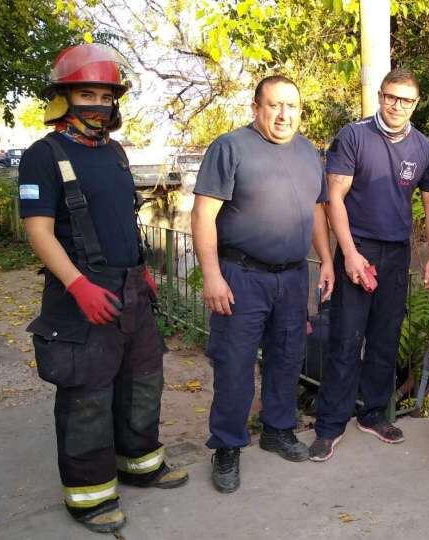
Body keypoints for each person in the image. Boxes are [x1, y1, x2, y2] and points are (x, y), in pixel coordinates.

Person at [19, 44, 188, 534]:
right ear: (63, 98)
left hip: (131, 288)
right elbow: (39, 231)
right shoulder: (42, 156)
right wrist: (77, 286)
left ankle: (140, 462)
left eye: (106, 96)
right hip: (81, 294)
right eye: (86, 94)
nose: (98, 105)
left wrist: (141, 267)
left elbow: (120, 218)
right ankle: (89, 497)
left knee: (141, 380)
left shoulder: (114, 152)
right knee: (87, 393)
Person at [192, 75, 334, 494]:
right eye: (274, 105)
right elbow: (202, 215)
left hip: (292, 276)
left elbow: (317, 212)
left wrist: (326, 260)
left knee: (287, 357)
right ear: (257, 107)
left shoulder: (309, 152)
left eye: (292, 106)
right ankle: (228, 446)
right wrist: (212, 274)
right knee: (234, 363)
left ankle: (277, 429)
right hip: (241, 276)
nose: (283, 114)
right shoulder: (230, 147)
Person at [310, 68, 429, 461]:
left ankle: (372, 414)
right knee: (345, 338)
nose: (397, 105)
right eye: (390, 97)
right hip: (359, 245)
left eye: (406, 100)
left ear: (415, 104)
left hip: (397, 252)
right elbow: (334, 197)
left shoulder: (423, 149)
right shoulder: (355, 136)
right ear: (380, 96)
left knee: (385, 338)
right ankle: (329, 425)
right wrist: (348, 253)